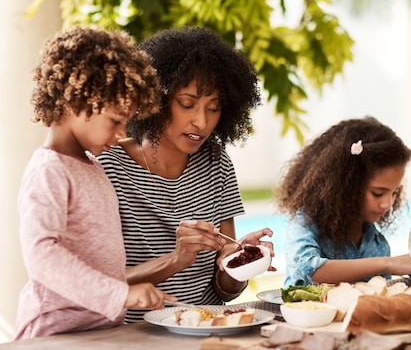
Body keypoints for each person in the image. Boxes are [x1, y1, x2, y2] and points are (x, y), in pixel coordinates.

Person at [99, 26, 275, 323]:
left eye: (214, 108)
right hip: (136, 336)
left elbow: (225, 291)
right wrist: (175, 260)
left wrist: (238, 262)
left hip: (209, 326)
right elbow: (97, 283)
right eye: (187, 104)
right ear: (156, 99)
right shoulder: (109, 167)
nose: (201, 122)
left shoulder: (216, 163)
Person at [15, 26, 175, 340]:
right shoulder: (49, 170)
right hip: (54, 332)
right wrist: (120, 295)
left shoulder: (94, 168)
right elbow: (42, 256)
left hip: (98, 330)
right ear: (78, 103)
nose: (121, 134)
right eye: (115, 121)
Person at [276, 116, 411, 287]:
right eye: (377, 193)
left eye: (394, 193)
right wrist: (388, 263)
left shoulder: (376, 242)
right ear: (346, 185)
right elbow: (311, 269)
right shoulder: (306, 221)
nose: (387, 204)